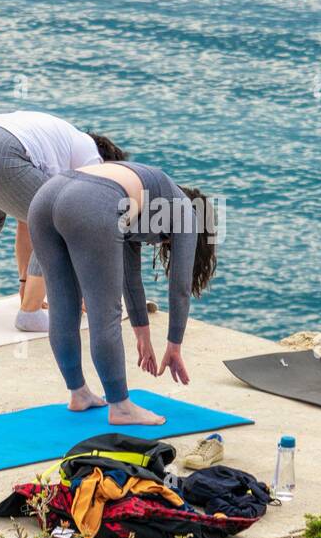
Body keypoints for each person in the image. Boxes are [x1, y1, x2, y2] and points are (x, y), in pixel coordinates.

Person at [27, 160, 216, 425]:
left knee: (63, 305)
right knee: (105, 313)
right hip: (90, 201)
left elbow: (131, 276)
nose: (162, 244)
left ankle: (79, 394)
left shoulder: (142, 198)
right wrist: (174, 346)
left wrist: (143, 333)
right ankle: (121, 407)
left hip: (46, 197)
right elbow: (181, 287)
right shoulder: (186, 211)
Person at [0, 111, 126, 331]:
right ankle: (30, 314)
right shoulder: (92, 157)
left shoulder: (56, 143)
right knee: (58, 223)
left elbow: (28, 221)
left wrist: (25, 283)